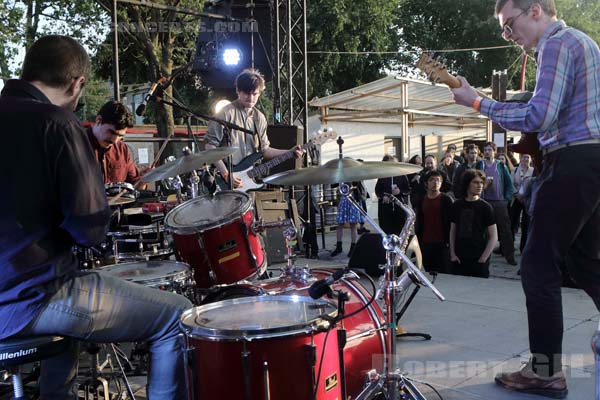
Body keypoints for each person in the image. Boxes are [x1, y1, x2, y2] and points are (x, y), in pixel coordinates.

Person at [0, 35, 192, 399]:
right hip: (28, 297)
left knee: (71, 319)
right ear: (77, 83)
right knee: (177, 316)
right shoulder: (57, 124)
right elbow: (88, 229)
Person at [451, 0, 600, 397]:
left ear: (536, 10)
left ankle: (545, 371)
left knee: (537, 266)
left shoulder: (555, 44)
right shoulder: (583, 43)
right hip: (591, 160)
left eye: (508, 24)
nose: (508, 35)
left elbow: (539, 117)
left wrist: (478, 102)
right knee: (584, 261)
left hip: (570, 161)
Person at [205, 68, 303, 188]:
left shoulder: (260, 118)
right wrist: (226, 173)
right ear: (238, 91)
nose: (251, 98)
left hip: (247, 180)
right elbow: (210, 146)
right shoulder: (225, 113)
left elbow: (264, 151)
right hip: (223, 177)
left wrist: (289, 152)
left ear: (259, 93)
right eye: (246, 93)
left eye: (254, 94)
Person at [449, 170, 498, 278]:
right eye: (475, 182)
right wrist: (452, 254)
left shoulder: (486, 207)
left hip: (479, 257)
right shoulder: (457, 205)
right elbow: (453, 231)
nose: (479, 185)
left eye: (481, 182)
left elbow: (494, 236)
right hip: (460, 257)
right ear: (467, 184)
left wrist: (483, 258)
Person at [476, 142, 516, 265]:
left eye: (489, 150)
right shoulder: (480, 164)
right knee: (482, 230)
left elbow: (509, 184)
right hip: (483, 201)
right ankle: (482, 256)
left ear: (494, 152)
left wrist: (506, 199)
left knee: (505, 230)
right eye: (485, 150)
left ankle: (510, 256)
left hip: (499, 202)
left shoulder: (500, 165)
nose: (487, 152)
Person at [87, 100, 142, 185]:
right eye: (112, 132)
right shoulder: (75, 144)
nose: (115, 140)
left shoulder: (122, 149)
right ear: (98, 120)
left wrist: (143, 180)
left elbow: (133, 186)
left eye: (120, 136)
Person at [414, 170, 453, 273]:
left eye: (438, 180)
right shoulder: (422, 200)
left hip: (442, 244)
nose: (435, 183)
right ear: (426, 183)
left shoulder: (446, 200)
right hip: (426, 243)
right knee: (429, 272)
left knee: (443, 273)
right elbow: (419, 222)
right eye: (432, 180)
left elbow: (451, 222)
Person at [375, 155, 411, 235]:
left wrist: (400, 191)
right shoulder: (382, 176)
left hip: (400, 210)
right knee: (386, 233)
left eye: (394, 164)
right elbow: (378, 190)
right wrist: (383, 196)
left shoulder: (402, 175)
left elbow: (408, 190)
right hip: (385, 210)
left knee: (400, 233)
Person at [330, 181, 364, 258]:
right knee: (340, 224)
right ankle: (339, 246)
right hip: (343, 199)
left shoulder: (354, 174)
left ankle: (353, 247)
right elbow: (333, 185)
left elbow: (357, 184)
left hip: (353, 199)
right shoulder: (341, 174)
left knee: (353, 225)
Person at [511, 153, 535, 252]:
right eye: (523, 157)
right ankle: (510, 246)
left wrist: (525, 196)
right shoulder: (515, 170)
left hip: (527, 200)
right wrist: (516, 194)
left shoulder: (533, 171)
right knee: (512, 222)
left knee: (526, 223)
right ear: (520, 158)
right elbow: (511, 183)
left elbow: (535, 184)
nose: (525, 159)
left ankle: (523, 247)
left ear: (530, 159)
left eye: (527, 157)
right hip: (516, 199)